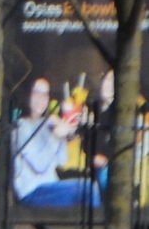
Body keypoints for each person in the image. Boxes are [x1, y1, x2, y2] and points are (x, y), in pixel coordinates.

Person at [12, 74, 103, 207]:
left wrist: (64, 133)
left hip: (51, 187)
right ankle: (95, 228)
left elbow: (62, 160)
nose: (42, 99)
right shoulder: (19, 127)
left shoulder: (47, 123)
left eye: (46, 94)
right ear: (27, 95)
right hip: (32, 193)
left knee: (90, 186)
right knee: (88, 188)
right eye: (37, 93)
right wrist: (55, 136)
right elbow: (39, 165)